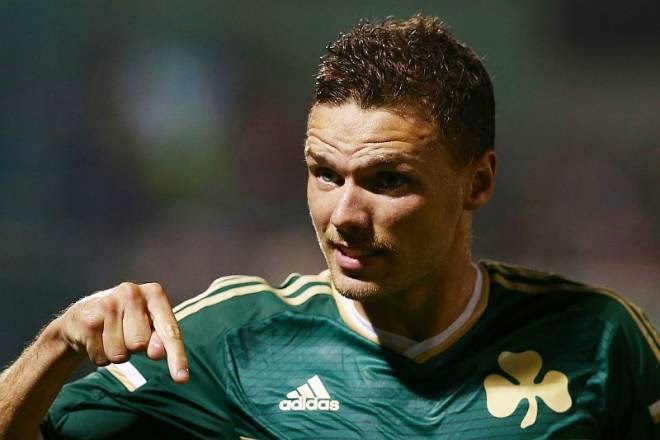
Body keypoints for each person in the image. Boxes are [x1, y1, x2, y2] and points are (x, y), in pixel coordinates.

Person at [1, 15, 658, 440]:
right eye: (324, 174)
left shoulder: (602, 339)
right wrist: (57, 345)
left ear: (477, 183)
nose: (344, 215)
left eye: (387, 180)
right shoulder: (235, 340)